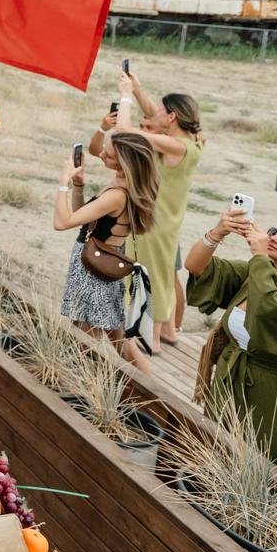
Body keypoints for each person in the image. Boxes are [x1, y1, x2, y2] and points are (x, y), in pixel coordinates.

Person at [182, 207, 277, 475]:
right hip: (230, 383)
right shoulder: (253, 275)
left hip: (276, 398)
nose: (274, 237)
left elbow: (269, 316)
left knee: (269, 473)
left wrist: (260, 257)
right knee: (217, 460)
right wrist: (217, 233)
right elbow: (197, 267)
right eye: (274, 231)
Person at [93, 72, 205, 350]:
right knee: (163, 276)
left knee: (149, 277)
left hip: (153, 222)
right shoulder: (192, 142)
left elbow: (124, 131)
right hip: (168, 221)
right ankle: (164, 333)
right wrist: (138, 89)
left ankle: (150, 340)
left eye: (162, 111)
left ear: (172, 117)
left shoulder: (175, 145)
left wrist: (126, 96)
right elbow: (156, 114)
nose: (155, 113)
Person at [55, 132, 161, 369]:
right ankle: (151, 387)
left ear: (125, 163)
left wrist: (63, 183)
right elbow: (84, 217)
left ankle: (90, 384)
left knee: (83, 344)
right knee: (121, 343)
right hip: (99, 266)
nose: (101, 154)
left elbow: (62, 222)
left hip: (95, 273)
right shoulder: (123, 186)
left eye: (109, 154)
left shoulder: (116, 196)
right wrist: (78, 184)